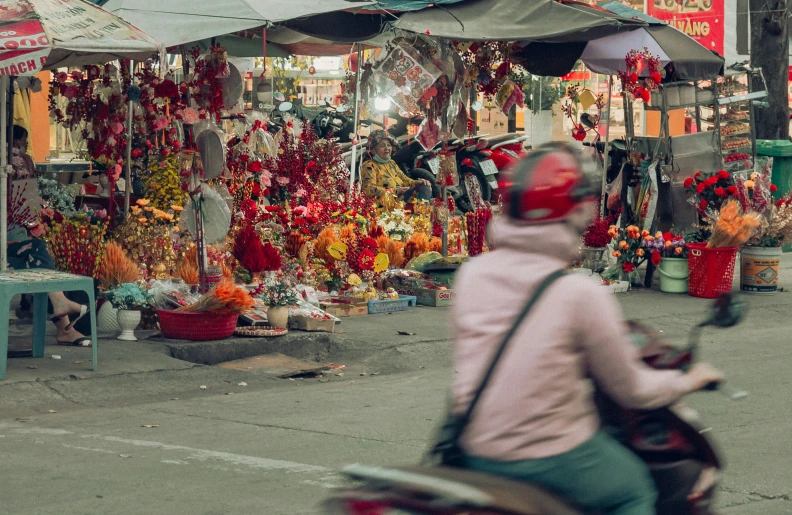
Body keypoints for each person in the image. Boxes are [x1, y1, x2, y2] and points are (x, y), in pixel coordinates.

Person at [450, 143, 723, 515]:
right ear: (573, 213)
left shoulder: (472, 275)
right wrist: (688, 380)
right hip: (547, 453)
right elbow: (632, 390)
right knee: (632, 488)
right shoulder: (577, 292)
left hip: (474, 446)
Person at [6, 125, 91, 346]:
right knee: (36, 251)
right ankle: (62, 320)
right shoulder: (20, 162)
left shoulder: (17, 163)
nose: (24, 146)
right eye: (23, 142)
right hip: (9, 242)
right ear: (15, 142)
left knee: (36, 251)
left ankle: (62, 316)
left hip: (11, 240)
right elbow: (28, 207)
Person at [361, 130, 432, 204]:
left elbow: (404, 179)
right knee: (424, 191)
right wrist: (396, 191)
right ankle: (419, 213)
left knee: (424, 186)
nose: (387, 148)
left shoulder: (391, 163)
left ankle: (420, 212)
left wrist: (416, 182)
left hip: (401, 198)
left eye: (388, 145)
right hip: (386, 203)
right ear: (373, 150)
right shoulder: (369, 165)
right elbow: (368, 189)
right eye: (382, 146)